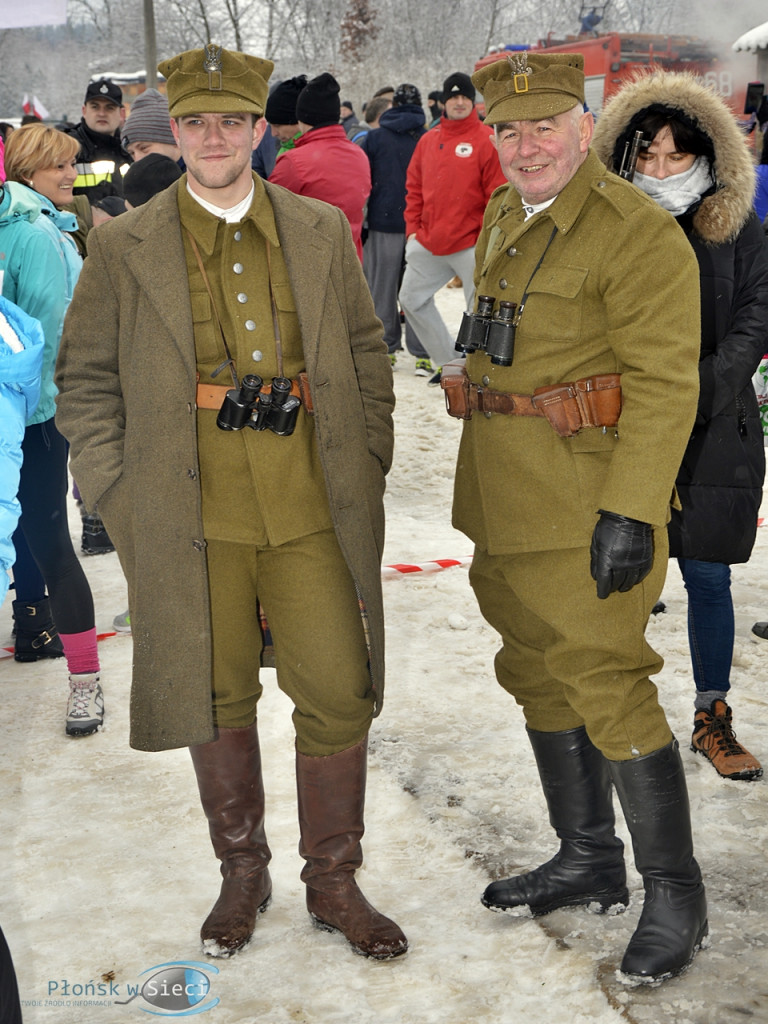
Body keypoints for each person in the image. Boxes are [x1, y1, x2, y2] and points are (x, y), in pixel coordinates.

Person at [55, 44, 406, 963]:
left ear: (261, 129)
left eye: (233, 120)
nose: (214, 137)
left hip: (309, 505)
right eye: (197, 121)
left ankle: (333, 878)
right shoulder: (124, 243)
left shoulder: (320, 229)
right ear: (176, 132)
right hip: (188, 510)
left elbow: (369, 356)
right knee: (213, 696)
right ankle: (239, 872)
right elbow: (85, 380)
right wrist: (118, 492)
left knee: (336, 689)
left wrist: (366, 457)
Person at [445, 52, 707, 984]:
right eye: (507, 130)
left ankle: (675, 892)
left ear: (584, 127)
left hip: (588, 504)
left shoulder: (635, 232)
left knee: (607, 681)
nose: (525, 146)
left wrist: (632, 511)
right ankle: (588, 855)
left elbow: (668, 384)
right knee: (534, 671)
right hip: (504, 496)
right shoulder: (510, 211)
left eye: (544, 126)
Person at [592, 71, 767, 783]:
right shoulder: (608, 227)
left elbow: (755, 319)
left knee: (706, 575)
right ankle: (614, 716)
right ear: (625, 159)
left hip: (713, 424)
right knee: (619, 576)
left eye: (678, 156)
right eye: (648, 157)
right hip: (619, 427)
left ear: (710, 156)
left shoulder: (740, 228)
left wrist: (689, 393)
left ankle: (711, 714)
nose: (662, 171)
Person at [1, 124, 104, 735]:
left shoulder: (35, 236)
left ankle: (85, 682)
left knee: (47, 543)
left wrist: (32, 419)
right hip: (21, 417)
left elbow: (53, 339)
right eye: (62, 166)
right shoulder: (29, 227)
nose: (73, 175)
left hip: (34, 420)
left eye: (72, 164)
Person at [398, 71, 506, 384]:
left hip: (471, 243)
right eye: (453, 97)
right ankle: (448, 363)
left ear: (473, 101)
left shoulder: (486, 138)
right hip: (430, 241)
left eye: (465, 97)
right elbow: (413, 187)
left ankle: (476, 371)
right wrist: (413, 232)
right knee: (410, 300)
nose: (459, 102)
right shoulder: (428, 140)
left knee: (480, 311)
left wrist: (487, 239)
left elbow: (496, 195)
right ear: (444, 102)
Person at [360, 83, 430, 369]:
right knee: (418, 289)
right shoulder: (428, 138)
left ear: (394, 105)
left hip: (382, 221)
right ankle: (423, 350)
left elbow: (364, 181)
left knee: (382, 288)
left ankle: (385, 347)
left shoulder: (374, 139)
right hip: (420, 225)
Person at [269, 73, 371, 261]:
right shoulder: (359, 155)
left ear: (301, 118)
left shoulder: (294, 162)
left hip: (310, 269)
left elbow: (268, 216)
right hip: (350, 264)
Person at [62, 77, 132, 202]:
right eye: (95, 107)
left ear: (122, 113)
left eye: (109, 108)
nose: (102, 113)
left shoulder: (131, 148)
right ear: (84, 111)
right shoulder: (67, 148)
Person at [121, 87, 182, 165]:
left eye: (144, 148)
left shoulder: (199, 174)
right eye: (132, 153)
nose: (137, 160)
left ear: (175, 140)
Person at [264, 75, 307, 162]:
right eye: (270, 125)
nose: (273, 133)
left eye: (277, 125)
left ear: (297, 120)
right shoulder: (285, 149)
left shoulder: (316, 154)